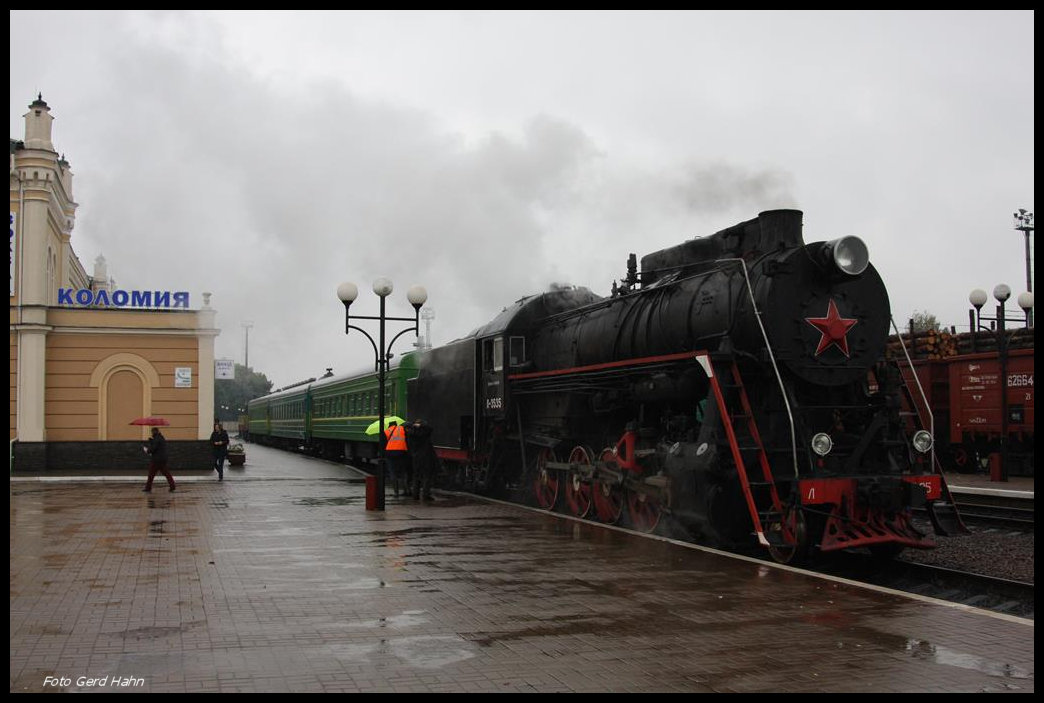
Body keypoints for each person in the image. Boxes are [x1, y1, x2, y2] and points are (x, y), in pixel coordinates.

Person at [407, 419, 438, 501]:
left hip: (415, 457)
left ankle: (415, 495)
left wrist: (414, 425)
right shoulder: (424, 434)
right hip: (426, 457)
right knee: (427, 476)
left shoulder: (411, 435)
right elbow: (430, 429)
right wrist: (421, 425)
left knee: (416, 476)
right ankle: (425, 495)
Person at [142, 426, 176, 492]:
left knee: (151, 474)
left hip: (156, 460)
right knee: (167, 473)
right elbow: (158, 446)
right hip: (162, 459)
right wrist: (152, 441)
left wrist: (147, 450)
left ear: (154, 432)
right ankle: (172, 486)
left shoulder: (157, 439)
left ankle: (148, 488)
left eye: (152, 432)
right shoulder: (161, 438)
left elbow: (153, 449)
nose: (151, 433)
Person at [383, 420, 411, 497]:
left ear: (389, 425)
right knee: (403, 473)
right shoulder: (402, 429)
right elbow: (408, 441)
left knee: (393, 473)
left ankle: (396, 492)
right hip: (402, 453)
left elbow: (383, 445)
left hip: (390, 454)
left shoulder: (386, 431)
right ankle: (406, 490)